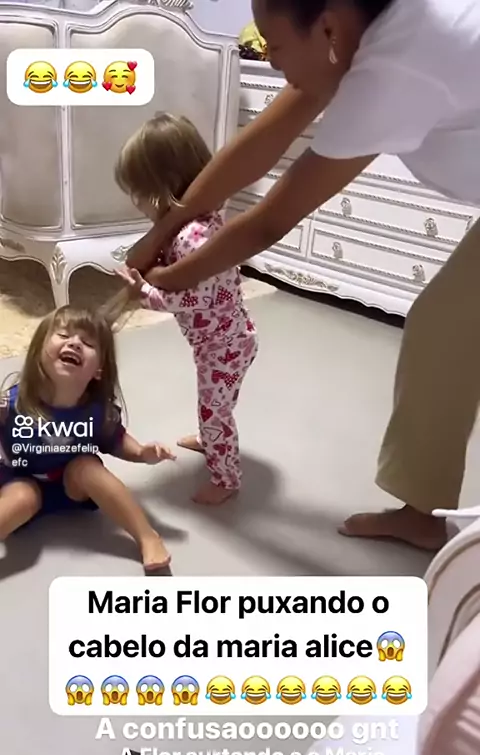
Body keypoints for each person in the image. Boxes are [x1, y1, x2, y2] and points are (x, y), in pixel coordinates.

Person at [126, 0, 480, 551]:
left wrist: (164, 281)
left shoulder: (398, 66)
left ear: (329, 26)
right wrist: (162, 231)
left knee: (444, 332)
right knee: (443, 333)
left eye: (275, 44)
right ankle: (422, 511)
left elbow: (268, 222)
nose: (268, 60)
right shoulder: (358, 38)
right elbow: (256, 148)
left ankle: (422, 514)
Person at [115, 113, 259, 506]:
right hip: (227, 339)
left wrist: (145, 293)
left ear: (162, 187)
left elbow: (191, 300)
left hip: (224, 347)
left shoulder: (193, 239)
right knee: (214, 404)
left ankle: (226, 479)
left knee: (216, 411)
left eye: (140, 193)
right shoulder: (198, 222)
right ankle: (211, 438)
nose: (137, 203)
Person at [0, 305, 175, 572]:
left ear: (99, 370)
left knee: (87, 467)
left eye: (88, 343)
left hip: (73, 485)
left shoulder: (97, 412)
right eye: (63, 335)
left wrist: (142, 453)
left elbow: (116, 440)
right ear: (38, 352)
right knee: (22, 497)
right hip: (20, 480)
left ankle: (147, 536)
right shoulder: (11, 404)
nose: (74, 343)